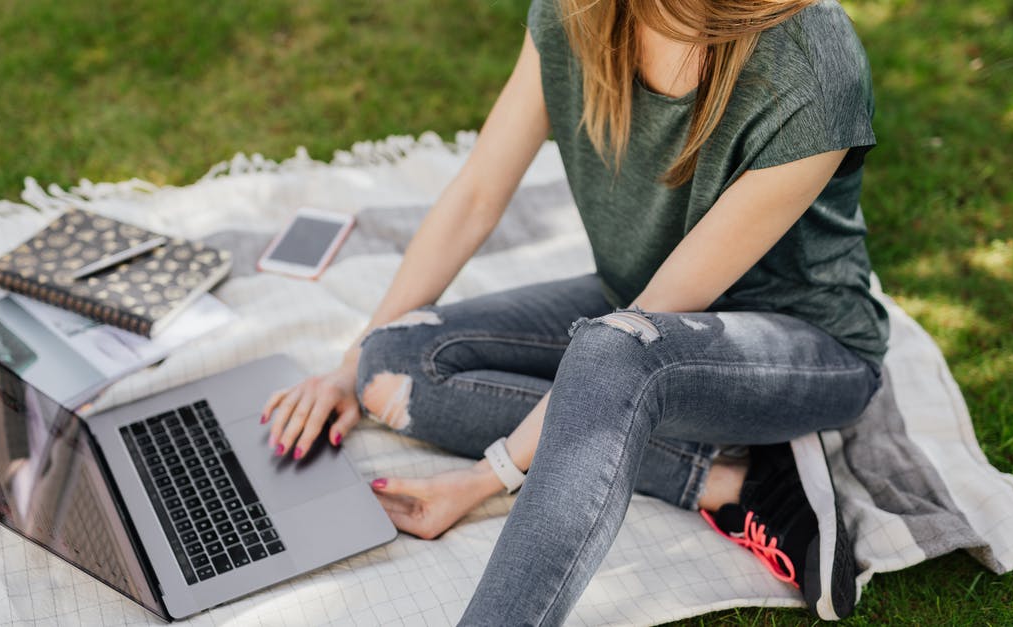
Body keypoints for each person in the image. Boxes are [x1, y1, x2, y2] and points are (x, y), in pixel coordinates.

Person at [261, 0, 887, 622]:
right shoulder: (577, 11)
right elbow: (477, 193)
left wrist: (485, 479)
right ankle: (737, 478)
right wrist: (347, 367)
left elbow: (644, 325)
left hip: (803, 343)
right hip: (633, 304)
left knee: (613, 353)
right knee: (390, 363)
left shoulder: (811, 57)